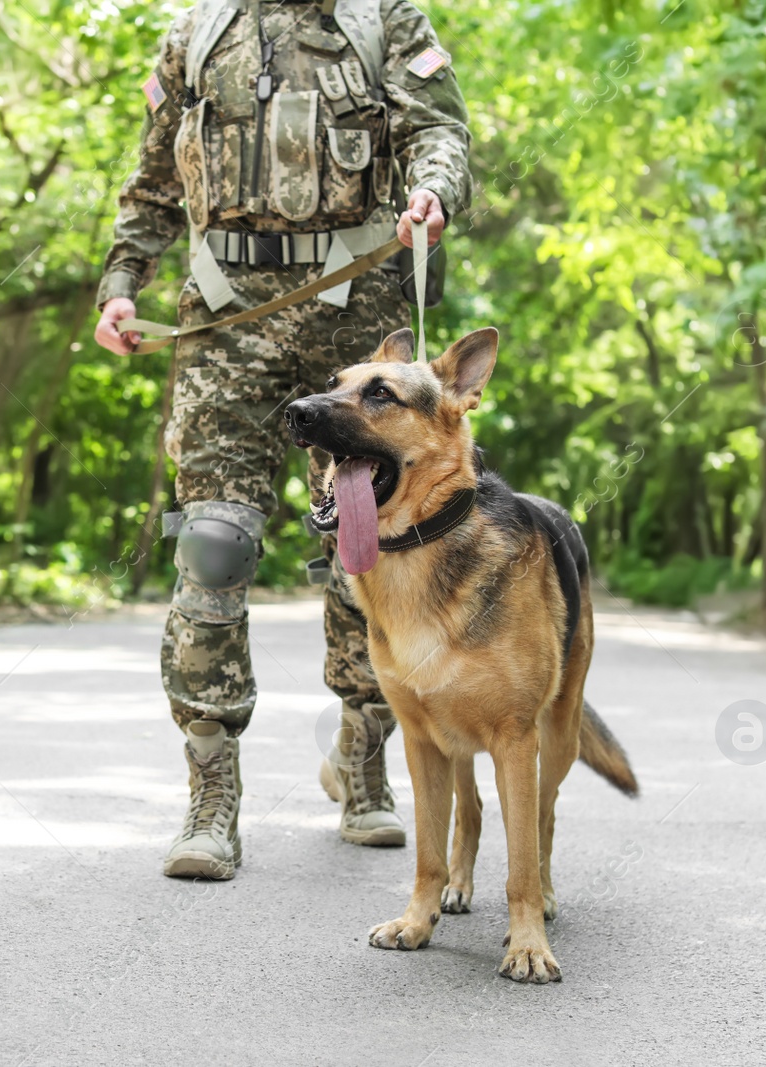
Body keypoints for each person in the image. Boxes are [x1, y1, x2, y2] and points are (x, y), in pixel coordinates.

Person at [94, 0, 472, 879]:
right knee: (216, 544)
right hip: (226, 314)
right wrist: (123, 280)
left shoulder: (385, 20)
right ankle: (211, 794)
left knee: (362, 546)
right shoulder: (196, 31)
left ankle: (365, 757)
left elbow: (440, 130)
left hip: (356, 317)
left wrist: (434, 191)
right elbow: (153, 177)